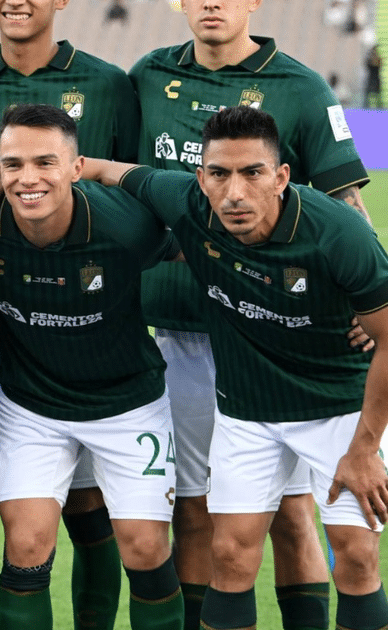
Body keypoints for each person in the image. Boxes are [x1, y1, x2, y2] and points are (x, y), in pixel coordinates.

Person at [68, 105, 388, 630]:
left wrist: (365, 448)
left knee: (355, 553)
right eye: (219, 174)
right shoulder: (187, 201)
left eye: (253, 173)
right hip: (247, 412)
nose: (235, 192)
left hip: (339, 410)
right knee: (232, 554)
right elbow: (105, 169)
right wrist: (0, 177)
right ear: (201, 177)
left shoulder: (338, 233)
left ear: (282, 177)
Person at [129, 1, 371, 626]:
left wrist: (363, 306)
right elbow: (94, 159)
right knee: (196, 509)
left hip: (282, 336)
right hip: (181, 329)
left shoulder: (301, 86)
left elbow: (346, 206)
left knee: (293, 517)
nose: (213, 3)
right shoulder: (146, 75)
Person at [0, 104, 185, 630]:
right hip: (33, 406)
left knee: (145, 547)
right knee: (26, 542)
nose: (28, 179)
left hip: (128, 404)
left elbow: (202, 247)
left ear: (77, 169)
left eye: (45, 163)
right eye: (12, 165)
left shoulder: (124, 224)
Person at [0, 1, 139, 625]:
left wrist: (1, 182)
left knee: (85, 503)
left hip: (78, 322)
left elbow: (129, 189)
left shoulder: (108, 84)